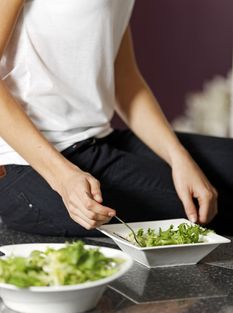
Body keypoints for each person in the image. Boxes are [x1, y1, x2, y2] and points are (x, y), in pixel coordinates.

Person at [0, 0, 232, 237]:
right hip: (26, 167)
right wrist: (63, 178)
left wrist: (179, 158)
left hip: (98, 140)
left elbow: (125, 79)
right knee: (217, 207)